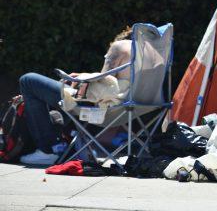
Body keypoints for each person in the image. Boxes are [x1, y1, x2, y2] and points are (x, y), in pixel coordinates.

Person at [18, 27, 133, 165]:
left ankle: (48, 150)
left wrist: (80, 80)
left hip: (102, 109)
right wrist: (81, 76)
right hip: (130, 109)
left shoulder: (120, 46)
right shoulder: (150, 55)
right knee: (64, 91)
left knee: (29, 81)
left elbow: (104, 81)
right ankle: (68, 146)